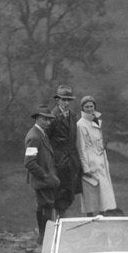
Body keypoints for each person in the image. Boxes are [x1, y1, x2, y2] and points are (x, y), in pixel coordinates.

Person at [75, 95, 117, 216]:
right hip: (91, 162)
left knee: (103, 195)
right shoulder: (80, 125)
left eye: (91, 106)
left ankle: (103, 217)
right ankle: (90, 219)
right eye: (86, 107)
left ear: (95, 107)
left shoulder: (96, 121)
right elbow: (81, 148)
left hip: (101, 161)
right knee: (91, 196)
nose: (89, 109)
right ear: (82, 108)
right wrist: (86, 168)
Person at [24, 105, 60, 243]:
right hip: (43, 180)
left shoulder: (41, 134)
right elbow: (29, 162)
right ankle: (46, 238)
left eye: (49, 120)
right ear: (38, 118)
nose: (48, 123)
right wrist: (45, 176)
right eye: (46, 119)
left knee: (43, 205)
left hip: (45, 179)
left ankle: (43, 237)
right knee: (47, 206)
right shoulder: (34, 137)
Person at [47, 84, 82, 218]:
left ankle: (62, 221)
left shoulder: (72, 115)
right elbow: (47, 141)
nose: (66, 103)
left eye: (68, 100)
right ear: (57, 100)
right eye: (63, 99)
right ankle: (59, 223)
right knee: (59, 195)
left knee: (69, 192)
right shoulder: (52, 117)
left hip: (71, 161)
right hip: (58, 161)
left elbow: (73, 138)